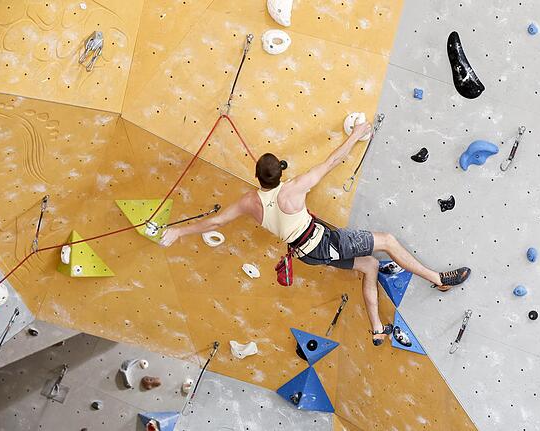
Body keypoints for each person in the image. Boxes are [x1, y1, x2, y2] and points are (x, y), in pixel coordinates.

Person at [159, 121, 471, 345]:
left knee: (370, 266)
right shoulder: (294, 189)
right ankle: (438, 280)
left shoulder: (249, 202)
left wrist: (178, 232)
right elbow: (332, 161)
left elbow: (214, 223)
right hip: (324, 242)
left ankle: (377, 328)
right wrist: (356, 134)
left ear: (257, 177)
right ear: (282, 172)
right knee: (387, 241)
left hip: (306, 254)